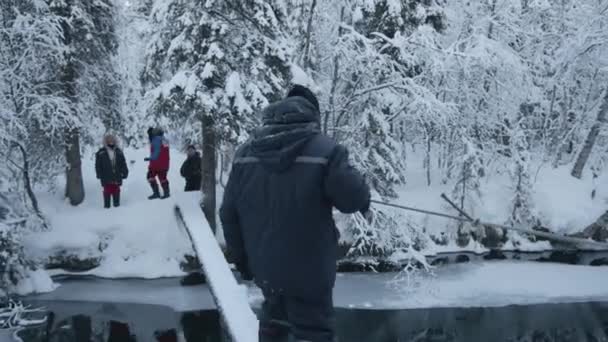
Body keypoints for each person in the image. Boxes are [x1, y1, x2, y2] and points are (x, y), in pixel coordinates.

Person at [220, 85, 371, 342]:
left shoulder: (245, 154)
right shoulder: (326, 150)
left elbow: (228, 213)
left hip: (265, 268)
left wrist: (243, 261)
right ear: (313, 114)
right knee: (313, 333)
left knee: (273, 327)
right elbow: (353, 199)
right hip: (310, 271)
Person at [95, 134, 128, 208]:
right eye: (108, 140)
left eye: (112, 139)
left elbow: (123, 163)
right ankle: (107, 210)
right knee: (107, 192)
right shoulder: (101, 152)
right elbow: (97, 165)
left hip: (117, 176)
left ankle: (117, 208)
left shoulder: (119, 151)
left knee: (116, 192)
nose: (111, 141)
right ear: (106, 141)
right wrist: (98, 173)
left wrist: (125, 172)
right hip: (106, 176)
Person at [144, 127, 170, 199]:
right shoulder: (164, 139)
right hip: (165, 164)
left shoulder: (156, 139)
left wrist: (150, 158)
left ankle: (156, 193)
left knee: (150, 176)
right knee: (163, 178)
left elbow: (156, 152)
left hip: (156, 164)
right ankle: (166, 193)